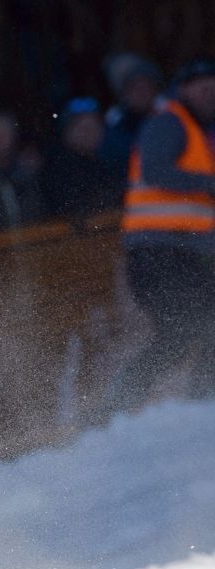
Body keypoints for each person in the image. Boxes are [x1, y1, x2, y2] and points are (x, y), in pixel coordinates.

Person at [113, 56, 215, 408]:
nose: (209, 95)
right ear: (183, 90)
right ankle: (121, 401)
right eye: (202, 88)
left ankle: (202, 399)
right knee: (184, 328)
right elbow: (157, 170)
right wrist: (208, 183)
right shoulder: (169, 123)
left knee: (200, 327)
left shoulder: (201, 133)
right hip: (158, 250)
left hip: (190, 252)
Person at [41, 97, 122, 218]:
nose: (90, 133)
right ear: (66, 131)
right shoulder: (56, 170)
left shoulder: (105, 165)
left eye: (95, 126)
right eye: (82, 127)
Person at [101, 53, 165, 172]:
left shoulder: (171, 121)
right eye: (135, 87)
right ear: (124, 93)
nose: (141, 93)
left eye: (147, 87)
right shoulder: (111, 126)